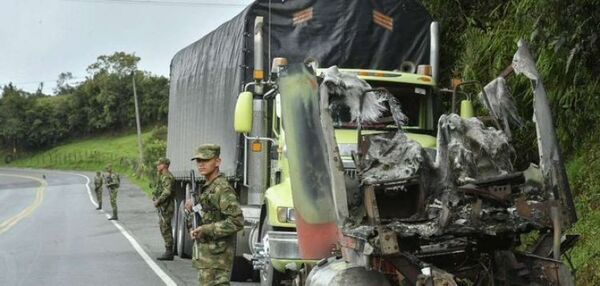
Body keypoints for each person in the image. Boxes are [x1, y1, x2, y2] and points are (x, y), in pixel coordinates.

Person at [185, 144, 244, 286]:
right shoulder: (208, 187)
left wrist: (206, 229)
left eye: (205, 160)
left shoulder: (222, 189)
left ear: (217, 162)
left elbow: (237, 221)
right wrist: (192, 209)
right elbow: (206, 214)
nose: (201, 164)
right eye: (198, 161)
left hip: (218, 259)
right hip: (207, 258)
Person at [153, 157, 175, 261]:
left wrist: (159, 201)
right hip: (164, 206)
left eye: (159, 164)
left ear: (164, 165)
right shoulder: (162, 176)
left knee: (165, 228)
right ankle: (169, 250)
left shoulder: (167, 177)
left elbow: (167, 191)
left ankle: (169, 252)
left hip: (166, 206)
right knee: (164, 227)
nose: (157, 166)